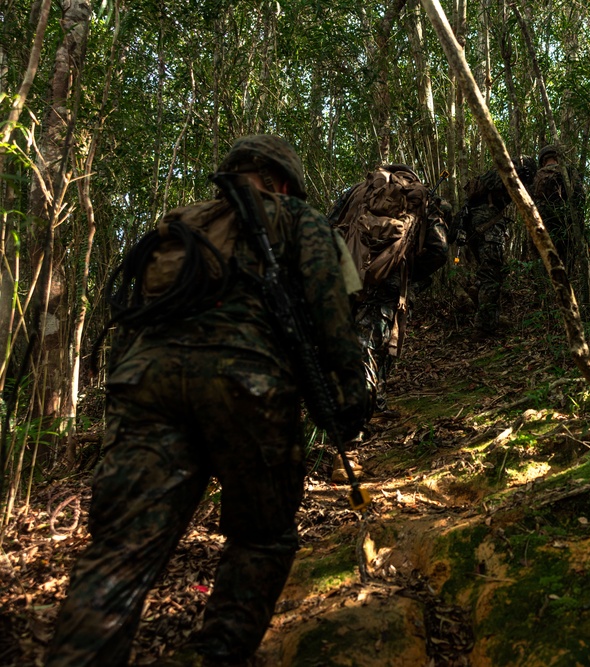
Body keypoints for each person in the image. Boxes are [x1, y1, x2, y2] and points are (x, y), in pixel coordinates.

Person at [45, 135, 368, 667]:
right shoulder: (297, 216)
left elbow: (137, 315)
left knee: (120, 554)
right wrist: (351, 393)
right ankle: (213, 655)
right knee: (262, 538)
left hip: (145, 388)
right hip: (247, 384)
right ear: (283, 181)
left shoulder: (180, 224)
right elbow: (330, 311)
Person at [333, 166, 450, 420]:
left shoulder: (358, 191)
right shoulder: (420, 199)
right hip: (390, 281)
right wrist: (410, 272)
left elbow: (330, 226)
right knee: (377, 346)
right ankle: (355, 426)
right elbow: (439, 249)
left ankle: (371, 404)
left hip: (348, 274)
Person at [456, 157, 536, 336]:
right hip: (487, 225)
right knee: (492, 274)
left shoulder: (492, 177)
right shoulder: (505, 175)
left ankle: (484, 309)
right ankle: (485, 327)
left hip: (473, 226)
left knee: (487, 272)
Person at [532, 144, 588, 304]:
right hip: (564, 224)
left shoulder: (537, 176)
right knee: (564, 262)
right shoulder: (567, 171)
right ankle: (565, 301)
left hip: (542, 226)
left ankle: (546, 300)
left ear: (543, 160)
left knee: (545, 262)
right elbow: (579, 196)